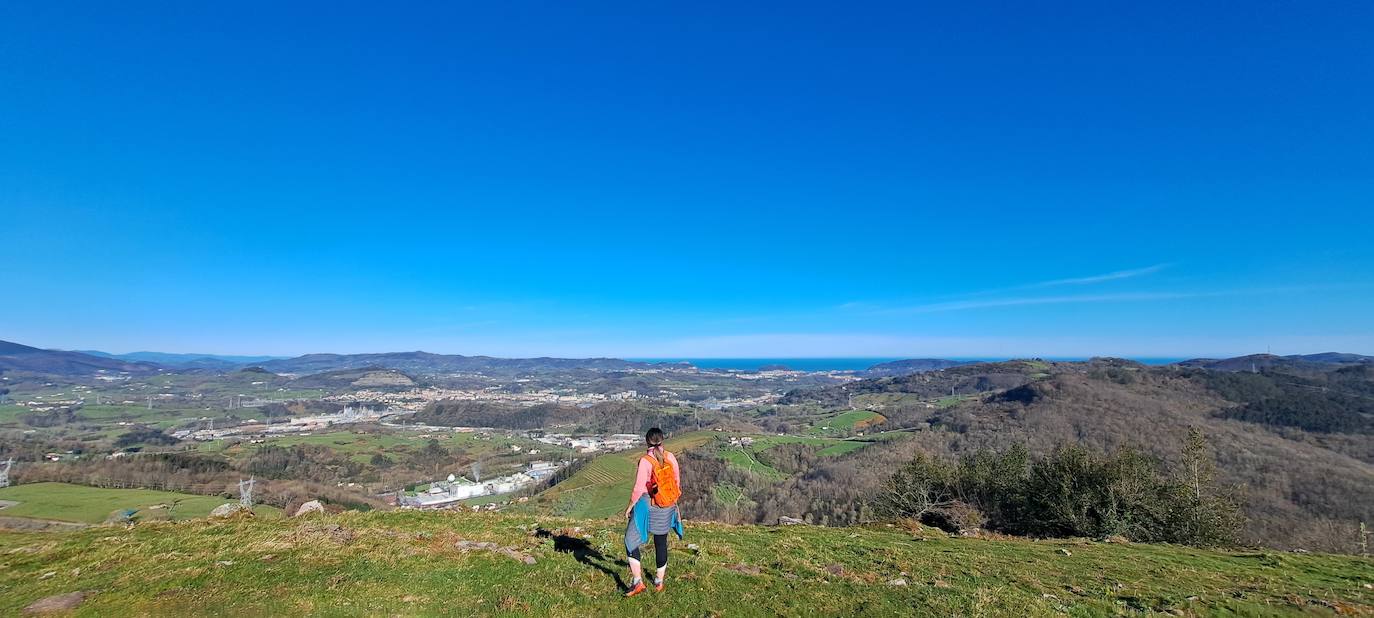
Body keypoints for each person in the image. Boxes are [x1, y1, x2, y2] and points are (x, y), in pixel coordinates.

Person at [622, 427, 684, 597]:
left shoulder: (645, 461)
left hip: (647, 504)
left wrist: (630, 506)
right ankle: (659, 582)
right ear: (663, 440)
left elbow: (638, 488)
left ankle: (637, 582)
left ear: (646, 442)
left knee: (630, 540)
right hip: (667, 505)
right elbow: (677, 482)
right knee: (661, 542)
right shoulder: (670, 457)